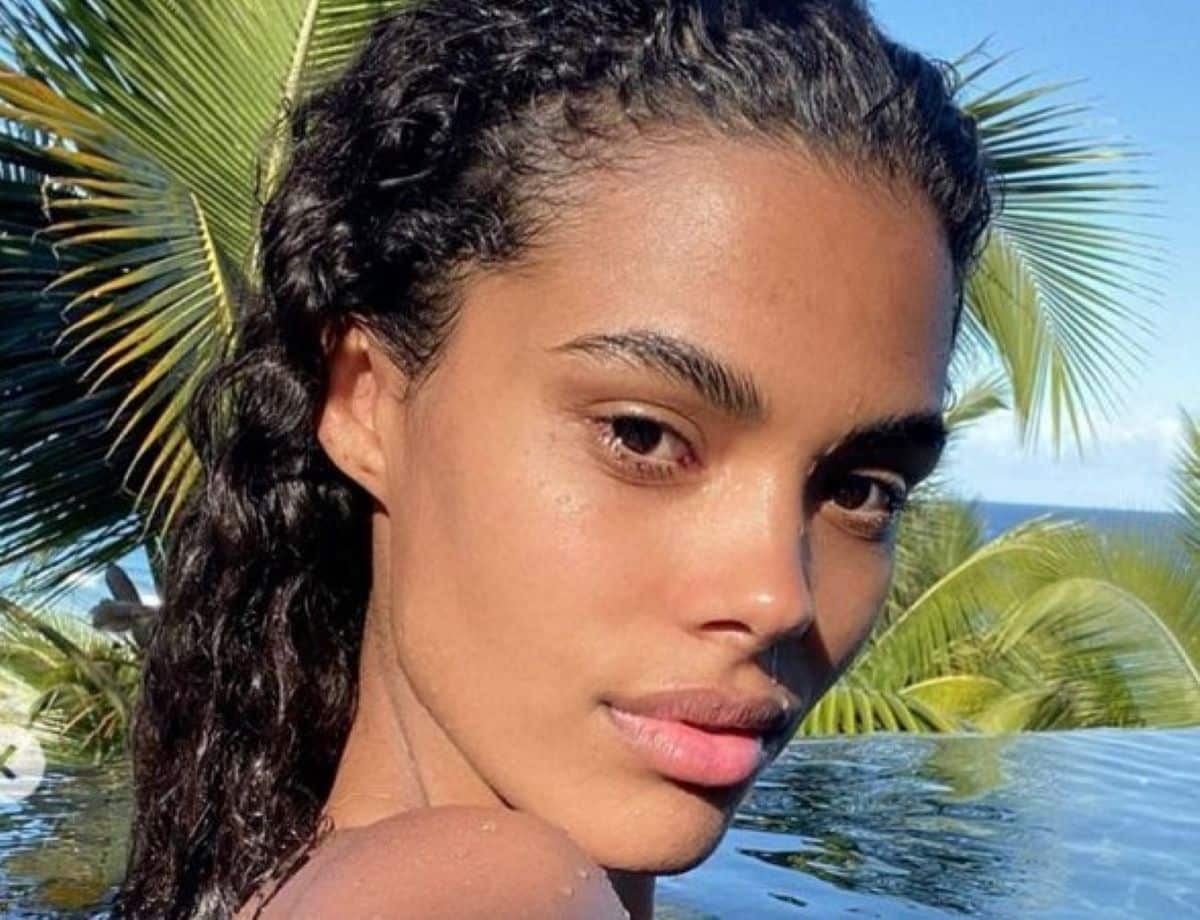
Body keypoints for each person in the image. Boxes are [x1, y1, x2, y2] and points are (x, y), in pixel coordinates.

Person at [111, 1, 991, 917]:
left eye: (860, 489)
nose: (779, 599)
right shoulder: (502, 889)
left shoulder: (290, 878)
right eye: (642, 436)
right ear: (366, 400)